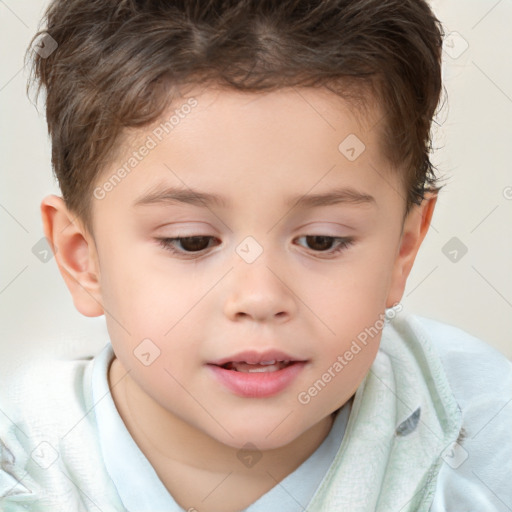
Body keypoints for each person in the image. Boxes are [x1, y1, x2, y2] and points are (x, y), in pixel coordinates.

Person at [1, 1, 510, 511]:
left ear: (404, 248)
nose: (260, 297)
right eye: (192, 241)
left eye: (322, 240)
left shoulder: (484, 443)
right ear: (82, 258)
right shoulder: (22, 470)